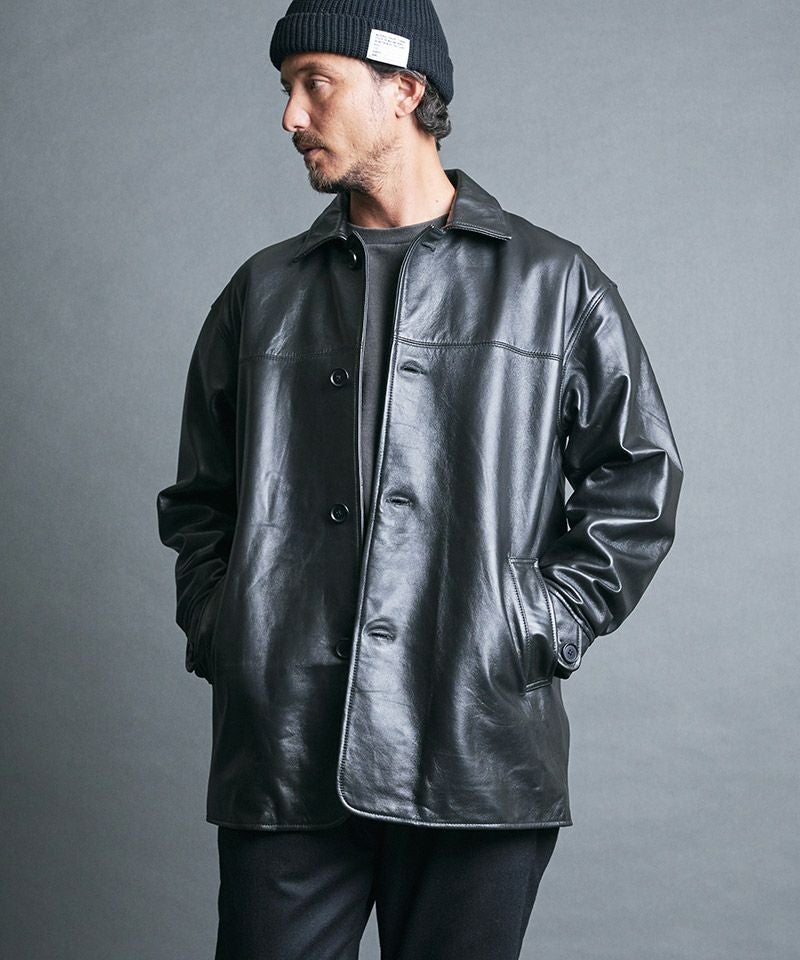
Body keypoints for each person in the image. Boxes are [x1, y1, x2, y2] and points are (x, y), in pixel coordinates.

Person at [156, 1, 684, 957]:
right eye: (287, 88)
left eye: (315, 83)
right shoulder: (262, 293)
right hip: (285, 746)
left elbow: (637, 479)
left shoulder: (554, 285)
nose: (291, 116)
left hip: (476, 744)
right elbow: (200, 500)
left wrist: (538, 622)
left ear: (403, 89)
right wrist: (225, 624)